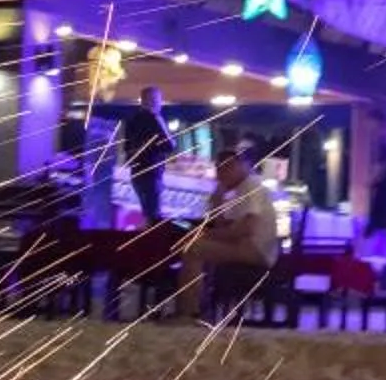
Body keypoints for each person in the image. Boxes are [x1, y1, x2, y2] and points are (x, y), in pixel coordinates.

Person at [170, 148, 279, 321]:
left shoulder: (251, 185)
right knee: (195, 244)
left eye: (226, 169)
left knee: (194, 248)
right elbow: (227, 228)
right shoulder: (240, 189)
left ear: (240, 166)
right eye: (219, 170)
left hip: (255, 250)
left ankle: (189, 312)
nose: (221, 175)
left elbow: (246, 229)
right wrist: (217, 202)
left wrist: (206, 234)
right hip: (246, 246)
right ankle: (195, 308)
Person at [113, 87, 174, 232]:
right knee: (153, 216)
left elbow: (127, 149)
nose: (160, 104)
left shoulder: (131, 120)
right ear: (151, 101)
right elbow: (170, 145)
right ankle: (153, 249)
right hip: (152, 174)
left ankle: (146, 245)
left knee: (147, 214)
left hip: (137, 174)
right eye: (158, 100)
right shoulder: (154, 118)